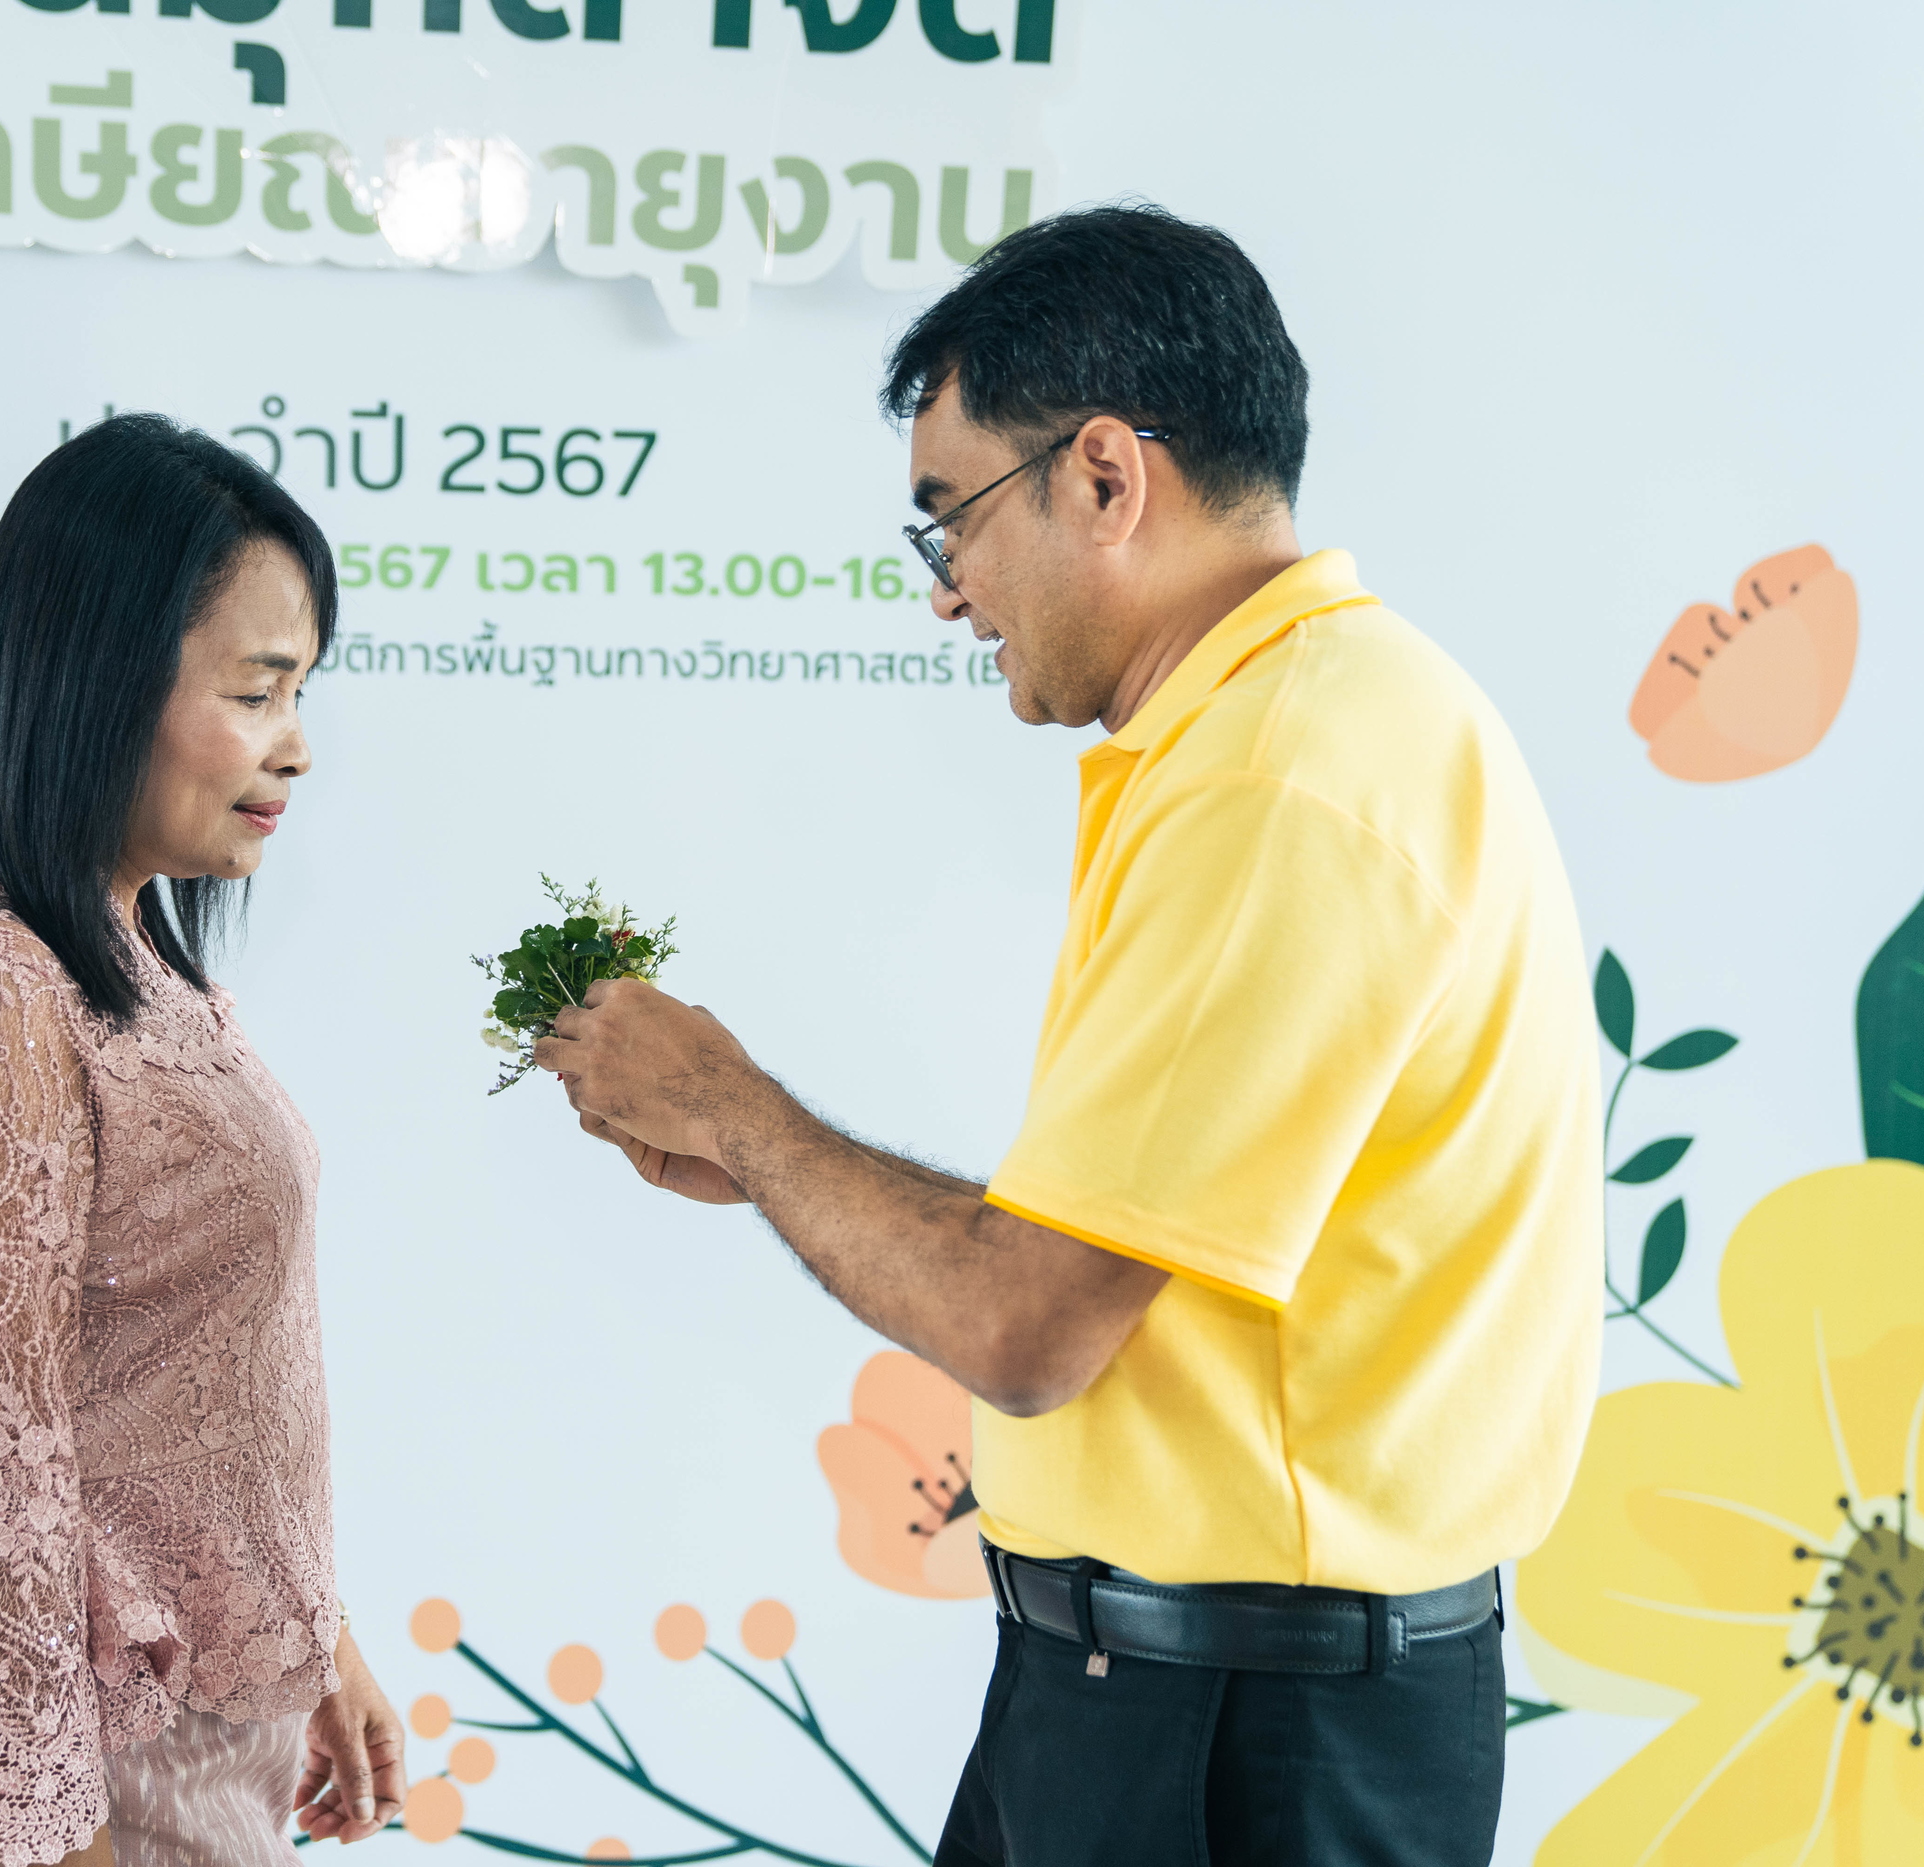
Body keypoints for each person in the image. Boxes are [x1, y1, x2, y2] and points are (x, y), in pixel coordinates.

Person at [536, 205, 1602, 1865]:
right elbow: (1098, 1256)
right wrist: (773, 1161)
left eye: (949, 518)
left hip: (1236, 1724)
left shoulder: (1281, 778)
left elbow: (1028, 1321)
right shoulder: (1301, 726)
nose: (948, 595)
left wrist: (740, 1111)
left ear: (1105, 475)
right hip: (1177, 1687)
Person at [0, 415, 403, 1867]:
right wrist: (43, 1839)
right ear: (102, 677)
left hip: (171, 1737)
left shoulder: (104, 938)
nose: (297, 746)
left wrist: (315, 1636)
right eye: (257, 692)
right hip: (70, 1774)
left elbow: (167, 1384)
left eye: (301, 691)